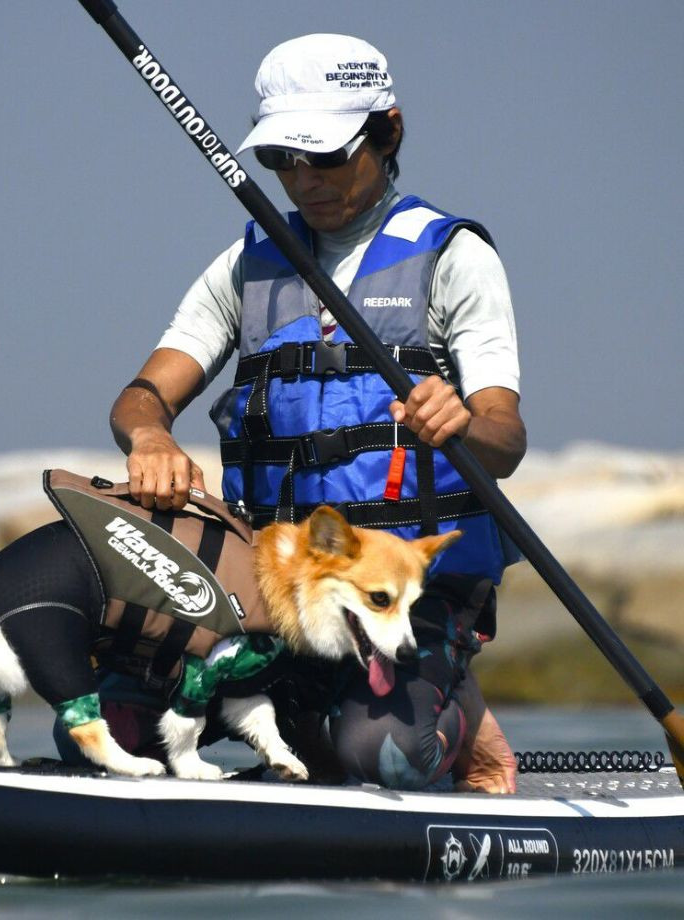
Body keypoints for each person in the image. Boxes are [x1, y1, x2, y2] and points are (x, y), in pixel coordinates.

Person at [101, 34, 525, 792]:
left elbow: (506, 438)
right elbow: (142, 395)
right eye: (281, 161)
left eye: (324, 156)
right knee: (116, 733)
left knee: (379, 761)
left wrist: (463, 422)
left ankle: (463, 714)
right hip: (282, 585)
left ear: (388, 132)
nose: (303, 180)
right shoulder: (247, 263)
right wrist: (150, 435)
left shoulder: (453, 257)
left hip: (399, 594)